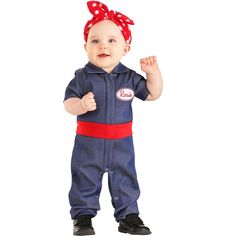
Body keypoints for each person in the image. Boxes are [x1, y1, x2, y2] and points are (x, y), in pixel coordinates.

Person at [64, 1, 163, 235]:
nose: (103, 46)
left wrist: (153, 73)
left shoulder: (129, 77)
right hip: (89, 145)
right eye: (95, 40)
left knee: (125, 179)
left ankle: (129, 216)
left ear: (125, 48)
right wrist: (80, 105)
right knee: (84, 178)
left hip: (122, 145)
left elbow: (152, 94)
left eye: (112, 40)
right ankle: (83, 217)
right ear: (85, 46)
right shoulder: (82, 78)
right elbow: (68, 104)